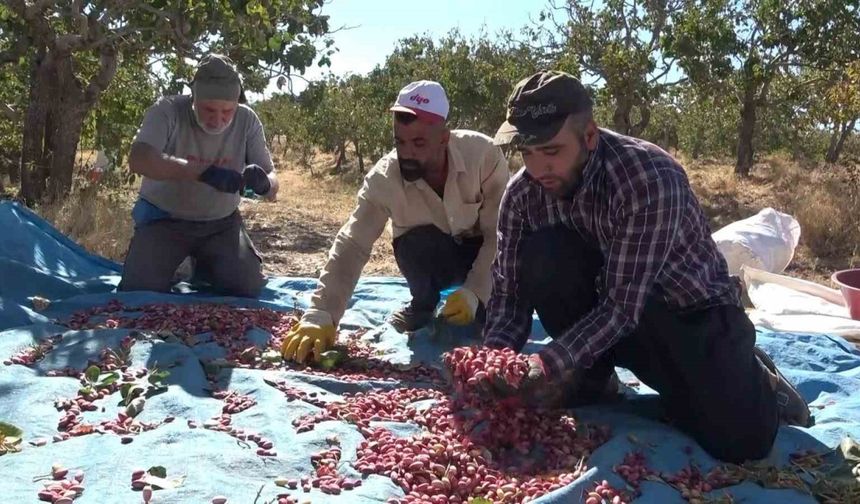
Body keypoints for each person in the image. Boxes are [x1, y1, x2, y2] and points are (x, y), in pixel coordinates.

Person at [481, 70, 811, 463]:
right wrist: (492, 360)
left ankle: (757, 378)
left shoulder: (648, 178)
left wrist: (546, 362)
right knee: (546, 252)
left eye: (552, 151)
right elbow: (509, 292)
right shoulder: (523, 194)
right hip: (607, 315)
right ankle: (593, 378)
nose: (538, 169)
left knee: (741, 442)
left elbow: (624, 305)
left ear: (589, 136)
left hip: (683, 313)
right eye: (528, 153)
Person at [281, 80, 510, 364]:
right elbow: (352, 243)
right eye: (400, 142)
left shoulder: (483, 156)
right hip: (432, 255)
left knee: (489, 318)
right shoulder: (384, 178)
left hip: (483, 257)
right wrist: (321, 313)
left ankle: (481, 305)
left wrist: (476, 292)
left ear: (444, 138)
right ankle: (422, 306)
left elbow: (500, 235)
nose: (407, 153)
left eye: (419, 143)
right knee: (414, 241)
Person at [118, 54, 279, 298]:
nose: (217, 119)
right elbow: (139, 158)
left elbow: (273, 184)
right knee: (138, 291)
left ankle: (205, 266)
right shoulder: (167, 110)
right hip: (165, 220)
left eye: (227, 111)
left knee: (246, 287)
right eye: (209, 109)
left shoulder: (248, 120)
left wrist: (264, 183)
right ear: (194, 98)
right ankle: (176, 262)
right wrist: (201, 173)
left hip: (221, 225)